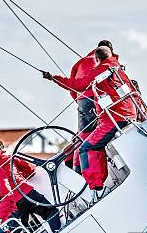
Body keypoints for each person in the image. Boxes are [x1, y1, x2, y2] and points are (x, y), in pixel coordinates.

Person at [43, 46, 137, 190]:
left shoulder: (99, 69)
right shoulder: (119, 68)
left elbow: (77, 85)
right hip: (131, 114)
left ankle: (96, 187)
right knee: (95, 144)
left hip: (113, 119)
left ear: (97, 59)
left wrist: (53, 78)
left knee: (86, 147)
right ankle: (102, 178)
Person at [0, 139, 61, 233]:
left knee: (22, 230)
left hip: (12, 203)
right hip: (26, 193)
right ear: (1, 149)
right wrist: (22, 176)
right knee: (51, 211)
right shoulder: (9, 158)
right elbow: (31, 169)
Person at [66, 40, 114, 172]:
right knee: (105, 132)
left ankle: (78, 172)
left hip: (83, 100)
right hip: (101, 97)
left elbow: (72, 87)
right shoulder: (110, 62)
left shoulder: (80, 62)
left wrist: (80, 102)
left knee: (84, 137)